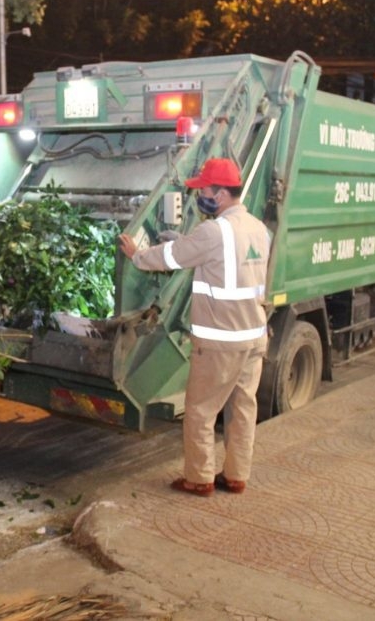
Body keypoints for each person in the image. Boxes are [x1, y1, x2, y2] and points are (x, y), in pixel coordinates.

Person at [118, 157, 270, 497]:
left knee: (201, 411)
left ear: (218, 193)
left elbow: (171, 259)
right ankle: (235, 476)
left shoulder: (214, 231)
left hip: (220, 343)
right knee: (242, 410)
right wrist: (185, 240)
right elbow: (222, 260)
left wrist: (137, 255)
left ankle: (199, 479)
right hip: (253, 337)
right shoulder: (258, 229)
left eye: (203, 189)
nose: (199, 195)